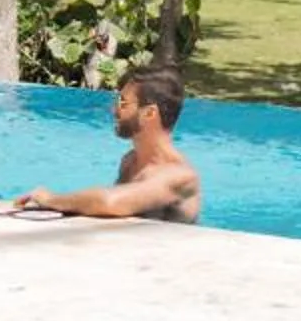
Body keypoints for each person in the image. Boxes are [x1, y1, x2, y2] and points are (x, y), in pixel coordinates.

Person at [14, 65, 202, 224]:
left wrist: (50, 199)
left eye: (123, 103)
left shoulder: (180, 176)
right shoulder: (130, 162)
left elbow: (109, 203)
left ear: (149, 113)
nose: (114, 109)